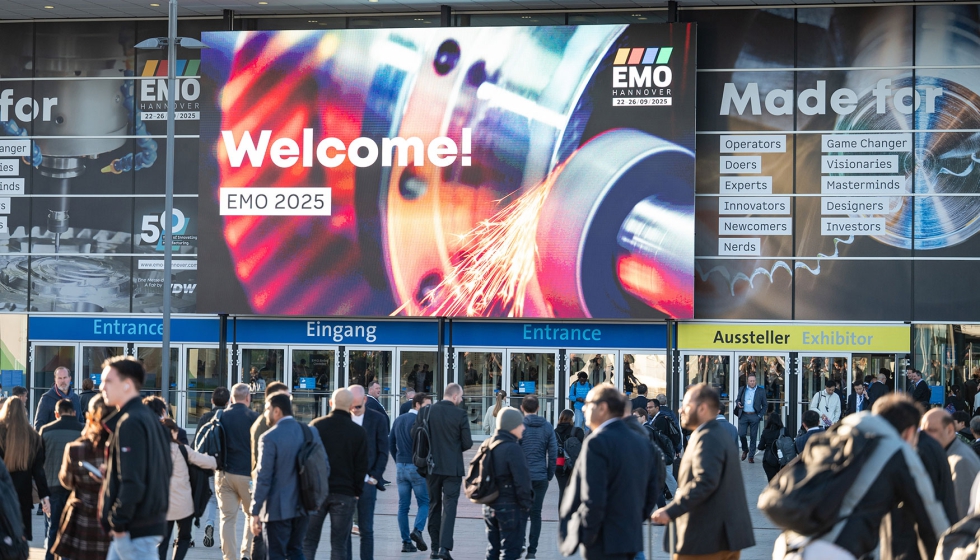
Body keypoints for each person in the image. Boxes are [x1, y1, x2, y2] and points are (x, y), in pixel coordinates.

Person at [774, 394, 951, 559]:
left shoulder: (841, 432)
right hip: (835, 550)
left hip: (790, 544)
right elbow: (931, 516)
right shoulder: (898, 451)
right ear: (910, 431)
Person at [652, 383, 755, 559]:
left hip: (706, 539)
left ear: (702, 408)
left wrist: (670, 511)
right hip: (717, 537)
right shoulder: (714, 434)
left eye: (685, 405)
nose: (680, 409)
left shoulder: (708, 437)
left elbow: (705, 481)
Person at [559, 385, 659, 560]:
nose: (583, 408)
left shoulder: (597, 442)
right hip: (630, 540)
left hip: (603, 543)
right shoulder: (641, 440)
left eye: (588, 404)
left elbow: (592, 497)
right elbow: (653, 490)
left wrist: (587, 536)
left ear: (603, 408)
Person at [99, 356, 173, 560]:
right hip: (141, 524)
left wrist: (118, 522)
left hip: (134, 528)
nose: (101, 387)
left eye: (108, 381)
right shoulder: (149, 418)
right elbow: (161, 469)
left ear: (127, 385)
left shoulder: (130, 422)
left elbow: (133, 480)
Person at [250, 393, 316, 560]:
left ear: (277, 411)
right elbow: (323, 467)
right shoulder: (309, 432)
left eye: (267, 409)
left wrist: (255, 511)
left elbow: (264, 477)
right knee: (296, 551)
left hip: (277, 509)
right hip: (303, 505)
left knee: (276, 554)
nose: (265, 413)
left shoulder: (269, 438)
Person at [305, 388, 368, 560]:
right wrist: (356, 491)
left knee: (308, 542)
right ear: (350, 406)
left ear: (330, 403)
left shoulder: (316, 426)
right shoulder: (358, 432)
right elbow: (361, 466)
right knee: (339, 545)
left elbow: (306, 459)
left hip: (316, 492)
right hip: (344, 492)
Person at [413, 383, 472, 560]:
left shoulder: (426, 411)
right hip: (452, 468)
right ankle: (445, 548)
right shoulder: (460, 414)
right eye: (460, 397)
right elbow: (467, 442)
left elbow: (414, 434)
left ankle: (434, 548)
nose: (461, 400)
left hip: (431, 466)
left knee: (434, 504)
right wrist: (453, 449)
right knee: (450, 506)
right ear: (454, 396)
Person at [881, 429, 958, 560]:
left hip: (917, 545)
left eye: (931, 428)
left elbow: (927, 507)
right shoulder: (930, 448)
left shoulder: (921, 451)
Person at [53, 395, 114, 560]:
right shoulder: (121, 450)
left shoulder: (76, 449)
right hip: (112, 523)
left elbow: (66, 481)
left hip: (81, 521)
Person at [160, 418, 217, 560]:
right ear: (173, 432)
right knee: (184, 537)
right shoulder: (183, 450)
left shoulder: (152, 450)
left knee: (162, 540)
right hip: (183, 505)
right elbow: (210, 462)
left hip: (161, 504)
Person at [482, 407, 533, 560]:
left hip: (490, 505)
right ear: (512, 426)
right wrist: (526, 505)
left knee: (493, 549)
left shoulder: (488, 444)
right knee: (511, 551)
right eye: (520, 424)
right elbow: (522, 480)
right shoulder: (512, 448)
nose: (523, 428)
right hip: (510, 506)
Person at [346, 384, 389, 560]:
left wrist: (374, 477)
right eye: (351, 406)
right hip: (345, 485)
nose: (354, 410)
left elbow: (383, 451)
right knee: (344, 531)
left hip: (368, 483)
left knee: (366, 530)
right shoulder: (342, 418)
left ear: (365, 400)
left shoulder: (377, 419)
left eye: (357, 406)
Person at [217, 383, 259, 560]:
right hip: (247, 475)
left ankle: (229, 557)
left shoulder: (221, 416)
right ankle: (246, 554)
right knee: (251, 515)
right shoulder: (255, 418)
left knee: (227, 518)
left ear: (231, 398)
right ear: (248, 397)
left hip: (225, 474)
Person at [0, 395, 50, 541]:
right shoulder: (33, 436)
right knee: (20, 538)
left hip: (3, 491)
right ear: (24, 412)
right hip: (23, 494)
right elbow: (39, 471)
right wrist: (44, 496)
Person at [249, 381, 289, 560]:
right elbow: (264, 465)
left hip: (273, 489)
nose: (288, 401)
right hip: (269, 490)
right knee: (262, 539)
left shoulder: (277, 423)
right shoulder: (266, 426)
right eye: (285, 397)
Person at [39, 398, 83, 560]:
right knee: (74, 530)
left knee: (54, 528)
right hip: (77, 489)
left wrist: (42, 493)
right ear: (74, 413)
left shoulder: (45, 430)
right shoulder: (83, 430)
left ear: (56, 414)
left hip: (52, 486)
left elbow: (39, 463)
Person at [920, 408, 980, 521]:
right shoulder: (953, 454)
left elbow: (963, 515)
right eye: (923, 432)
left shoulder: (960, 461)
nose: (925, 437)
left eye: (931, 430)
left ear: (949, 430)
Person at [390, 392, 431, 553]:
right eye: (427, 405)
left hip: (401, 466)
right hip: (417, 468)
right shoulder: (421, 421)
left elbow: (391, 442)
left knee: (403, 506)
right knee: (424, 502)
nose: (429, 408)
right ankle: (418, 530)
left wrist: (397, 460)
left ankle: (406, 542)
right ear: (418, 405)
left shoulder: (398, 420)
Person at [518, 395, 556, 560]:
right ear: (538, 408)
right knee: (536, 513)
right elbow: (553, 453)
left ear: (522, 408)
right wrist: (549, 473)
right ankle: (532, 551)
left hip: (522, 477)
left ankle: (520, 543)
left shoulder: (518, 426)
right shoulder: (547, 427)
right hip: (540, 476)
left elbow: (513, 451)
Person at [198, 386, 230, 549]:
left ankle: (209, 523)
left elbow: (197, 443)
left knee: (211, 499)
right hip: (227, 467)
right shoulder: (230, 418)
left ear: (212, 401)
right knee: (226, 503)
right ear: (228, 401)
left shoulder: (205, 418)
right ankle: (224, 537)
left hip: (210, 465)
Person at [553, 409, 584, 505]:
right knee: (576, 492)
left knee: (563, 491)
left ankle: (562, 517)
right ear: (573, 419)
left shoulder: (554, 432)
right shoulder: (577, 431)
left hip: (559, 463)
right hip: (575, 464)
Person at [734, 373, 767, 463]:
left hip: (754, 415)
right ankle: (745, 449)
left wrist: (759, 416)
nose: (752, 382)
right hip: (743, 414)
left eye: (753, 381)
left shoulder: (761, 391)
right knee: (741, 434)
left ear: (756, 381)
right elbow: (737, 400)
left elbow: (765, 405)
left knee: (753, 436)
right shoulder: (742, 389)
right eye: (750, 381)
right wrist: (738, 403)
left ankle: (751, 456)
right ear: (747, 381)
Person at [758, 412, 784, 482]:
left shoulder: (765, 432)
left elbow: (760, 447)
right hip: (782, 459)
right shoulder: (783, 431)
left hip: (769, 459)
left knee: (772, 482)